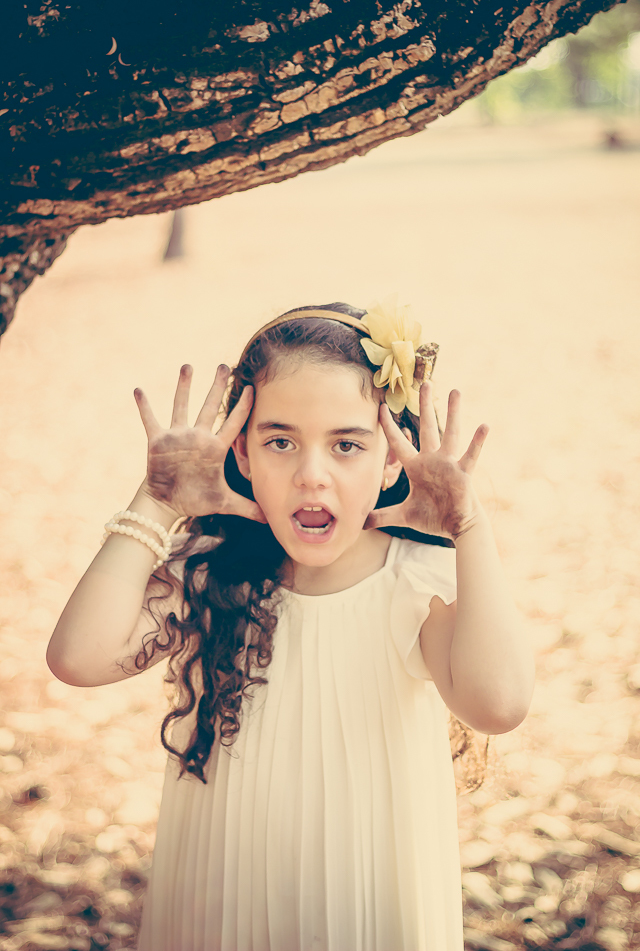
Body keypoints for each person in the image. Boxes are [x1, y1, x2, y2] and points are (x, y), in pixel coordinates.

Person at [47, 301, 534, 951]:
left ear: (392, 459)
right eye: (281, 441)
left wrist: (469, 528)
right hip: (220, 905)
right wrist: (157, 502)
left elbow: (499, 704)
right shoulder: (210, 573)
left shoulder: (415, 584)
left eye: (347, 445)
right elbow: (77, 657)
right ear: (241, 454)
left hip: (364, 909)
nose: (312, 473)